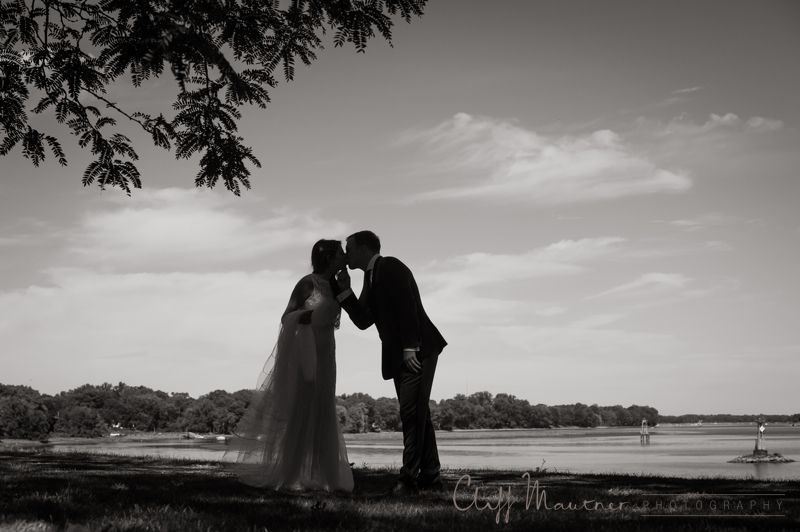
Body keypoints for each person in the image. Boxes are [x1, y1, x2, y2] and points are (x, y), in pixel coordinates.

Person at [225, 239, 354, 493]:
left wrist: (345, 289)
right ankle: (292, 474)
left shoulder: (336, 284)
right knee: (303, 411)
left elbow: (345, 317)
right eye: (340, 252)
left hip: (327, 352)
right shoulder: (308, 283)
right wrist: (308, 317)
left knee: (324, 408)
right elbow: (287, 317)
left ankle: (324, 476)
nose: (344, 255)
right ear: (328, 257)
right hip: (306, 352)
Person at [334, 230, 447, 495]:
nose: (346, 254)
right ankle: (431, 476)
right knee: (418, 415)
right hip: (403, 354)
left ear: (363, 249)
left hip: (418, 350)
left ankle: (408, 480)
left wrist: (410, 347)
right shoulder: (369, 277)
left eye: (349, 248)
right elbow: (363, 320)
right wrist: (344, 291)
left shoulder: (390, 266)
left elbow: (407, 305)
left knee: (412, 416)